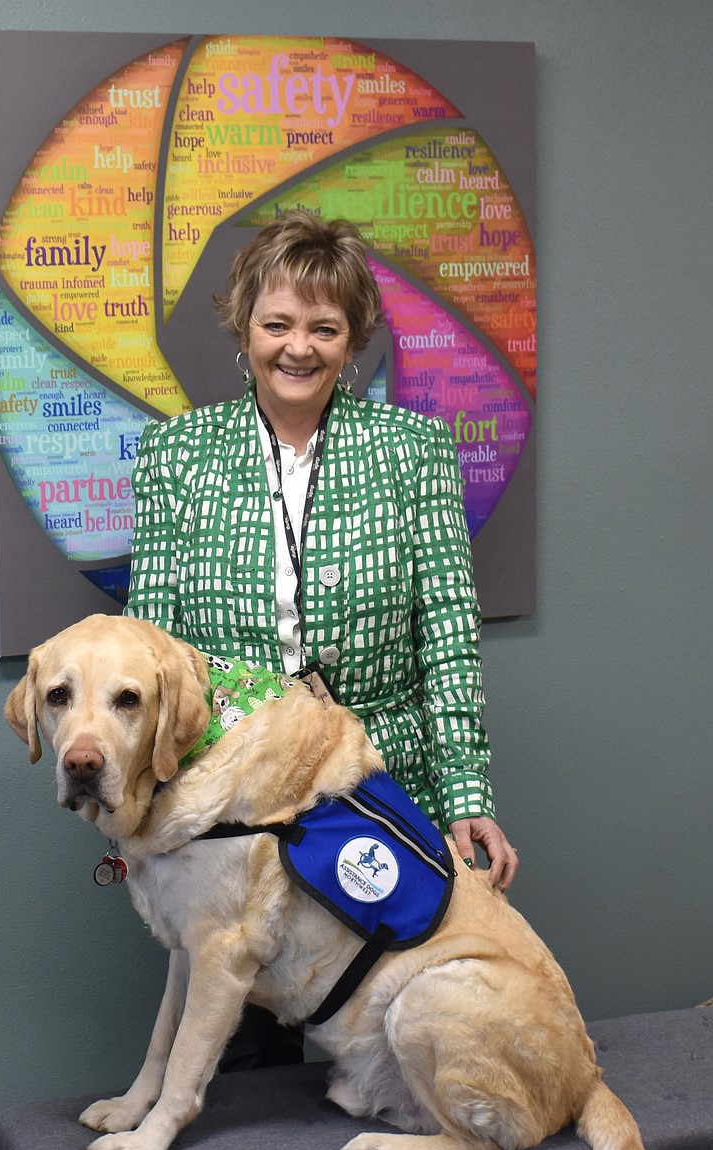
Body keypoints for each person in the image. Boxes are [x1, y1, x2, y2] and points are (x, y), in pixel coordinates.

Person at [125, 210, 516, 1065]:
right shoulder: (177, 454)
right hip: (233, 803)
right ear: (245, 328)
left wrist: (468, 798)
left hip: (379, 787)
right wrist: (142, 810)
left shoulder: (412, 452)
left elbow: (447, 641)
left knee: (386, 1031)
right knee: (247, 1047)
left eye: (323, 327)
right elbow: (153, 655)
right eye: (278, 323)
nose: (297, 347)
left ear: (352, 339)